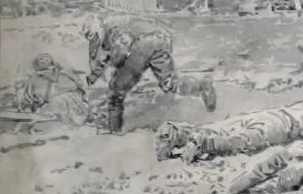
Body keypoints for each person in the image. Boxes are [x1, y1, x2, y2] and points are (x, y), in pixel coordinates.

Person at [87, 18, 216, 133]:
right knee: (169, 82)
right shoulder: (112, 28)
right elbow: (106, 58)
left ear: (98, 31)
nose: (96, 43)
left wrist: (118, 69)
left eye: (95, 39)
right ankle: (202, 86)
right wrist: (93, 77)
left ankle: (114, 129)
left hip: (144, 43)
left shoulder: (113, 29)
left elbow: (122, 50)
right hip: (161, 39)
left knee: (116, 88)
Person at [157, 106, 303, 162]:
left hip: (277, 119)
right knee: (240, 138)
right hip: (282, 122)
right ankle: (199, 140)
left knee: (233, 131)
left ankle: (185, 136)